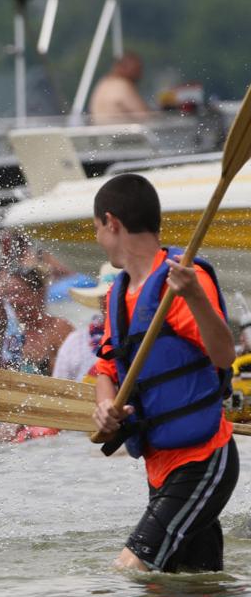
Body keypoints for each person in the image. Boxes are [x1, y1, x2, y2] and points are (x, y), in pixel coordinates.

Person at [90, 173, 238, 573]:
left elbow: (223, 355)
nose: (98, 240)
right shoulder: (119, 294)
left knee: (129, 571)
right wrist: (105, 406)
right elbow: (106, 366)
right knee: (193, 590)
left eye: (98, 230)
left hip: (202, 460)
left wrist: (192, 295)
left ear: (112, 222)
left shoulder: (184, 281)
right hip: (160, 467)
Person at [0, 267, 74, 374]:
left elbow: (70, 376)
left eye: (18, 293)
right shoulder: (7, 330)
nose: (11, 300)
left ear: (39, 294)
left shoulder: (58, 327)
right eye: (8, 294)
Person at [88, 52, 150, 121]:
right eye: (137, 69)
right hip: (121, 130)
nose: (140, 75)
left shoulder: (103, 83)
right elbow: (144, 115)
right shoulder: (122, 85)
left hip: (102, 130)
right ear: (125, 68)